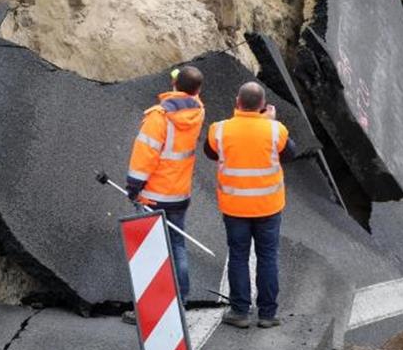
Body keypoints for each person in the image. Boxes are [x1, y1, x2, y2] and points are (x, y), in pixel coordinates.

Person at [203, 82, 298, 329]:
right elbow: (290, 154)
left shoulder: (220, 130)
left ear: (237, 102)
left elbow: (210, 153)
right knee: (267, 257)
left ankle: (240, 311)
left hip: (235, 208)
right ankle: (267, 314)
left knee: (238, 256)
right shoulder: (276, 130)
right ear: (263, 106)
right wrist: (269, 121)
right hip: (268, 207)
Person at [125, 65, 205, 300]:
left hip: (153, 195)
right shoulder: (198, 111)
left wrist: (133, 186)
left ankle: (153, 304)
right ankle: (180, 297)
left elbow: (145, 157)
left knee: (150, 250)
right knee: (177, 245)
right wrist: (181, 82)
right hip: (179, 194)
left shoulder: (158, 117)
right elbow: (191, 92)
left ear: (174, 85)